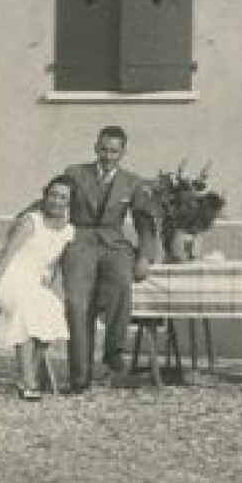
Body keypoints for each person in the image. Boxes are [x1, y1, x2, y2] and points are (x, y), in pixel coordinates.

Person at [59, 125, 160, 393]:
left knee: (122, 287)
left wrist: (145, 257)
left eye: (114, 151)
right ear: (95, 148)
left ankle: (114, 354)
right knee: (77, 306)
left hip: (114, 244)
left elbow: (145, 223)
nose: (108, 155)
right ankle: (80, 376)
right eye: (103, 149)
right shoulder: (75, 173)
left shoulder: (133, 182)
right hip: (79, 243)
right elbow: (53, 200)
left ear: (123, 153)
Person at [0, 175, 74, 400]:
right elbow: (5, 256)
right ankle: (29, 381)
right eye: (53, 195)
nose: (56, 201)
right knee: (26, 308)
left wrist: (47, 287)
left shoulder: (69, 231)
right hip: (9, 280)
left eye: (63, 197)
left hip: (33, 284)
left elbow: (52, 266)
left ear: (69, 202)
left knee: (52, 308)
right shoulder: (31, 222)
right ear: (45, 196)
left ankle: (25, 376)